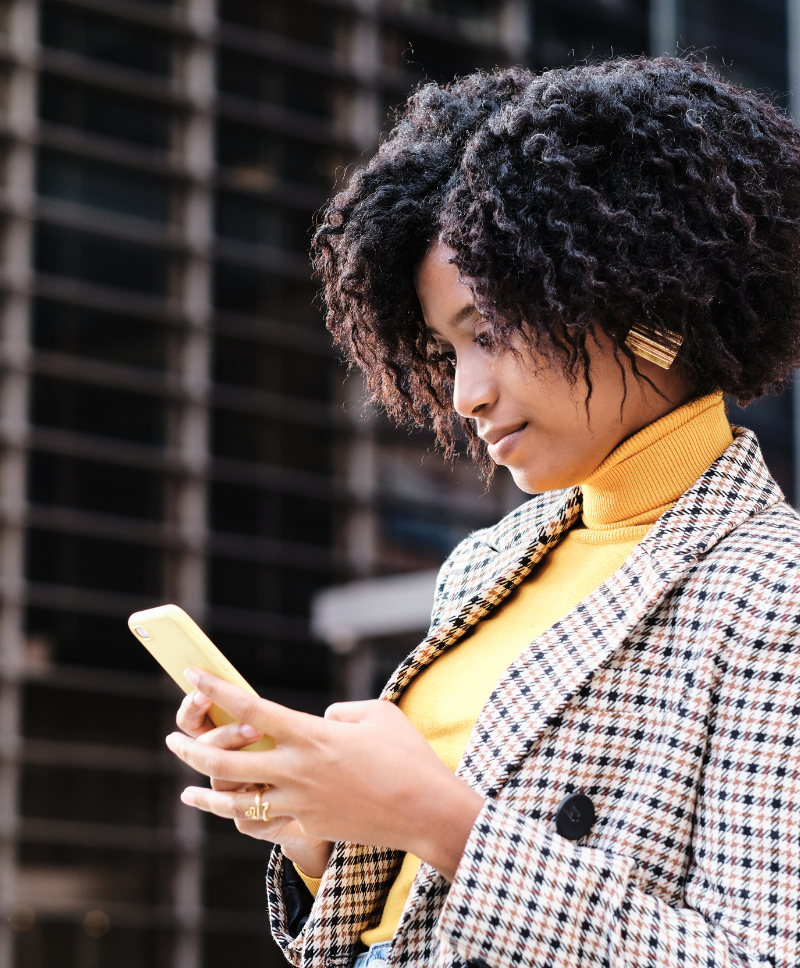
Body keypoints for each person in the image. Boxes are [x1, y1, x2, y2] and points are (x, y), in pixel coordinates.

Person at [165, 57, 800, 968]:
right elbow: (421, 915)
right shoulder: (487, 566)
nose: (463, 394)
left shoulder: (774, 586)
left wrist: (430, 814)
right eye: (443, 348)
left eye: (490, 332)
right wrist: (320, 829)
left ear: (637, 306)